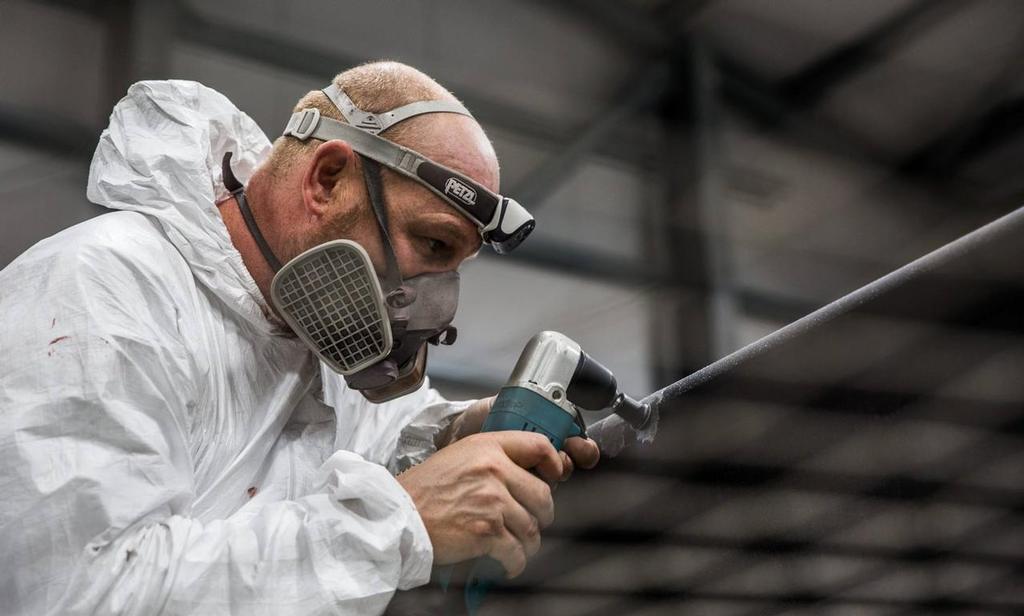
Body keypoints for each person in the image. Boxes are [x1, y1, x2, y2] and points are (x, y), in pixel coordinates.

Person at [0, 61, 599, 615]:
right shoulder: (102, 290)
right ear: (328, 180)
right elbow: (82, 592)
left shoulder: (320, 337)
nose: (437, 303)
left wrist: (454, 436)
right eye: (433, 244)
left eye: (454, 267)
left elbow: (380, 438)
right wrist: (398, 522)